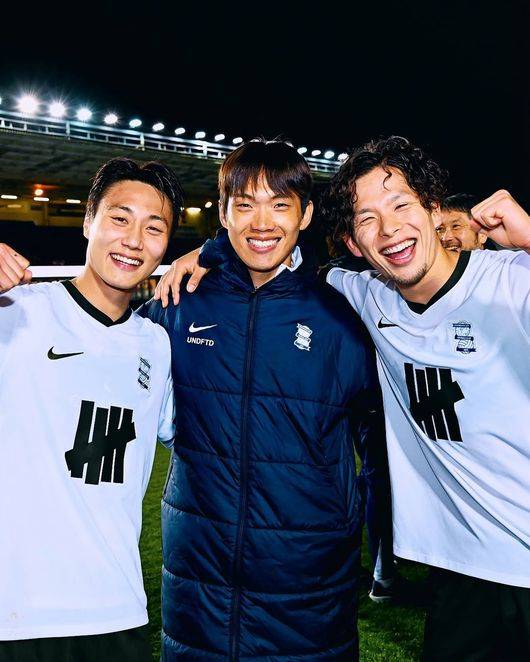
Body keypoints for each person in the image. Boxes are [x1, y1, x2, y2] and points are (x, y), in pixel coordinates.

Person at [140, 139, 381, 660]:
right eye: (245, 204)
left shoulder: (344, 316)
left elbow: (385, 445)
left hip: (308, 591)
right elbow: (95, 356)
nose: (262, 222)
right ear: (223, 212)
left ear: (305, 215)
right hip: (199, 586)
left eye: (280, 204)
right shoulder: (178, 303)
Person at [322, 136, 530, 660]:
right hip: (464, 574)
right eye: (367, 219)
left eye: (400, 205)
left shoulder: (512, 282)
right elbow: (281, 262)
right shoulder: (368, 295)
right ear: (353, 243)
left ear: (434, 209)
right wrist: (208, 255)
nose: (388, 229)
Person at [0, 157, 182, 661]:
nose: (134, 240)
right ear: (88, 222)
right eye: (119, 219)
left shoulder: (157, 345)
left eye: (154, 228)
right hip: (15, 615)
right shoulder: (16, 312)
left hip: (116, 613)